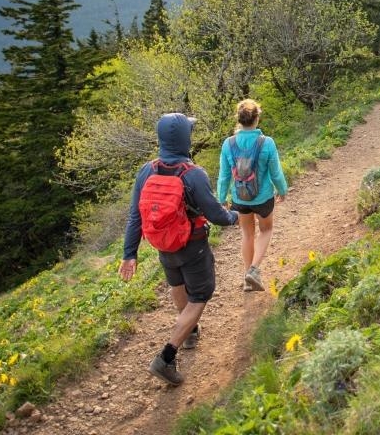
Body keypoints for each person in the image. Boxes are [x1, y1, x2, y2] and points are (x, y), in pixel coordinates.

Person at [119, 112, 238, 386]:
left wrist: (130, 253)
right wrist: (234, 215)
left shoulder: (146, 170)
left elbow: (135, 216)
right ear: (185, 139)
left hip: (163, 246)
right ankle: (166, 356)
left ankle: (191, 331)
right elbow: (216, 215)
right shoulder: (194, 174)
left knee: (178, 283)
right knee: (200, 294)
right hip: (192, 246)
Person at [217, 98, 288, 292]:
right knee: (266, 230)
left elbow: (223, 176)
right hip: (263, 198)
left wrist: (221, 198)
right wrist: (282, 190)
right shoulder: (267, 143)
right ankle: (254, 270)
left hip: (240, 199)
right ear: (256, 119)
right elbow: (276, 173)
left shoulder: (228, 143)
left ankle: (247, 277)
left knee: (247, 234)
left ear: (239, 120)